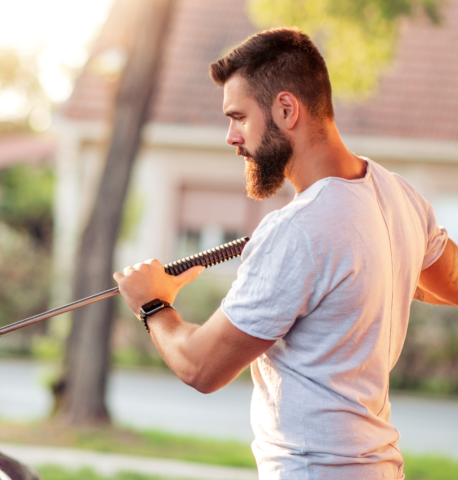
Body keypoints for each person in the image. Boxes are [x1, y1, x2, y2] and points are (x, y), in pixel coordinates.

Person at [113, 27, 458, 479]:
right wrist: (376, 273)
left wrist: (153, 304)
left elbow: (201, 367)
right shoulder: (400, 196)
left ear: (286, 108)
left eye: (238, 117)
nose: (230, 137)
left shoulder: (296, 230)